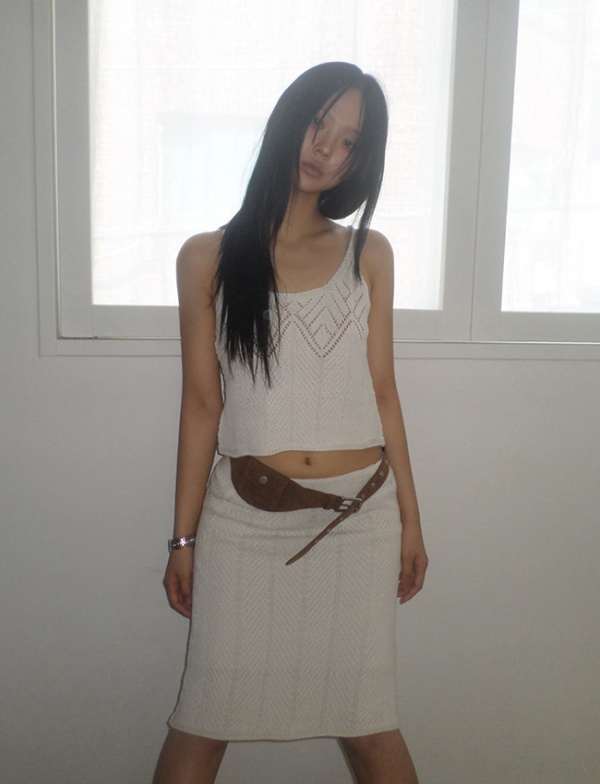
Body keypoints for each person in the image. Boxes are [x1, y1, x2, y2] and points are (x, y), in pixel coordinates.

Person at [152, 62, 428, 784]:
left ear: (359, 161)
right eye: (318, 123)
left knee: (369, 730)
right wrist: (183, 539)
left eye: (349, 141)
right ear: (289, 120)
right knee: (202, 724)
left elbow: (385, 392)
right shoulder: (207, 257)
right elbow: (202, 406)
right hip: (244, 523)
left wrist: (411, 521)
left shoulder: (369, 253)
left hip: (358, 520)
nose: (326, 148)